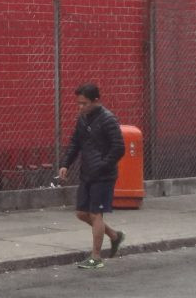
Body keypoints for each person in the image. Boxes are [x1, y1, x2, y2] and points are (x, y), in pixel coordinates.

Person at [58, 83, 125, 271]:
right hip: (87, 173)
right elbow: (75, 143)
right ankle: (114, 235)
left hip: (103, 175)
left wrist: (102, 165)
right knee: (81, 213)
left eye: (84, 103)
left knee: (96, 214)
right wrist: (65, 164)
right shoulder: (83, 119)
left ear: (96, 101)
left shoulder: (108, 120)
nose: (80, 107)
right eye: (78, 104)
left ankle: (96, 257)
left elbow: (119, 148)